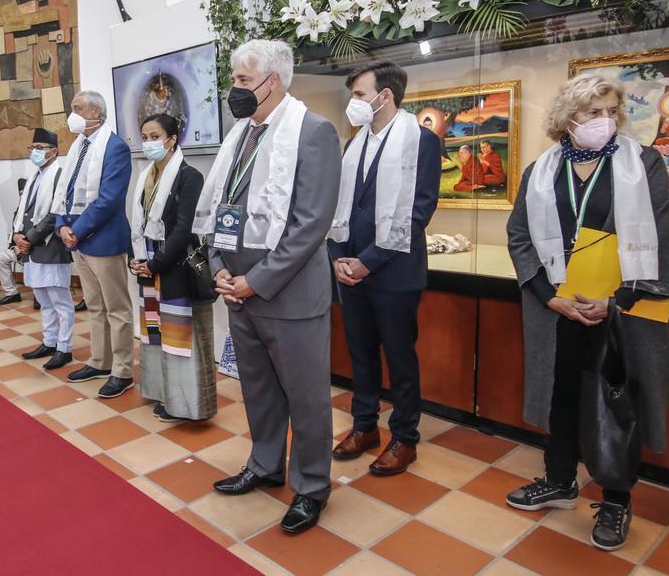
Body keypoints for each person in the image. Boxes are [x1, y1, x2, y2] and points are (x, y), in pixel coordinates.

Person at [505, 75, 669, 551]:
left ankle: (617, 499)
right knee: (561, 397)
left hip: (622, 309)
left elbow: (662, 243)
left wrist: (615, 300)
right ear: (567, 118)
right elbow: (519, 235)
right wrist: (547, 294)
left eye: (611, 112)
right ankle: (559, 480)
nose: (605, 121)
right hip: (559, 309)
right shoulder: (541, 170)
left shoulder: (645, 164)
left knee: (617, 404)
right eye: (592, 113)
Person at [197, 39, 341, 534]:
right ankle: (264, 465)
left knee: (306, 396)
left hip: (288, 291)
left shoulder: (314, 132)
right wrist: (219, 264)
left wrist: (254, 282)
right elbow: (221, 209)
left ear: (271, 81)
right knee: (257, 388)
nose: (233, 90)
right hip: (238, 288)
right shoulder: (240, 135)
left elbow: (310, 224)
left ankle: (312, 484)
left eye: (241, 81)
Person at [327, 62, 441, 476]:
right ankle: (364, 426)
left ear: (385, 95)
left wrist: (368, 261)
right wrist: (339, 257)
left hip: (393, 271)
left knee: (399, 357)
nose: (353, 103)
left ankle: (405, 437)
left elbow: (419, 210)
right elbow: (341, 207)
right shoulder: (353, 144)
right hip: (350, 269)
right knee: (360, 354)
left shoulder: (421, 142)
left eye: (358, 95)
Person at [130, 113, 216, 423]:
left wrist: (155, 263)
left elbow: (183, 229)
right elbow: (136, 223)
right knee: (155, 333)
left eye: (155, 136)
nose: (149, 142)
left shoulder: (189, 175)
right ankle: (164, 392)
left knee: (182, 337)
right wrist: (136, 259)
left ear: (171, 139)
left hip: (174, 265)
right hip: (150, 265)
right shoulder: (145, 175)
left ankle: (188, 405)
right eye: (145, 136)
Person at [54, 90, 135, 399]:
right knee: (95, 305)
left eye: (77, 108)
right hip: (78, 239)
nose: (71, 114)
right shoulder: (78, 147)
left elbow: (110, 198)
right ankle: (100, 361)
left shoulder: (114, 147)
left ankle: (123, 370)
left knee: (117, 309)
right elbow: (65, 190)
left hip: (103, 239)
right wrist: (62, 225)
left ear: (95, 112)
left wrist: (77, 229)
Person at [13, 129, 76, 370]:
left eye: (40, 147)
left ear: (54, 151)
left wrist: (29, 237)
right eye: (32, 148)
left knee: (61, 301)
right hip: (31, 248)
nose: (35, 152)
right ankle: (49, 341)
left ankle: (64, 348)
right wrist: (16, 236)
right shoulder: (34, 177)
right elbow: (21, 210)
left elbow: (56, 213)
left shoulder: (60, 175)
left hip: (50, 246)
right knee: (42, 299)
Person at [0, 178, 28, 305]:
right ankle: (12, 293)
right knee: (0, 258)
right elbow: (13, 232)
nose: (22, 196)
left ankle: (39, 296)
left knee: (32, 262)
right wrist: (14, 246)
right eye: (21, 194)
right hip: (18, 249)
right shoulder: (18, 211)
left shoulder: (39, 208)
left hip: (35, 250)